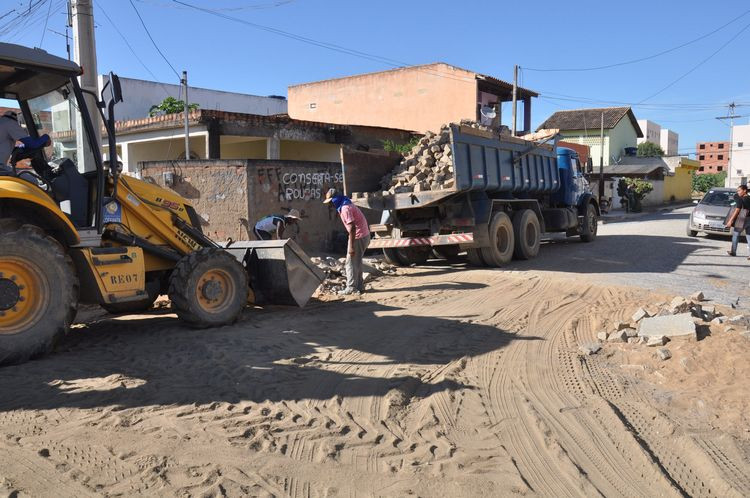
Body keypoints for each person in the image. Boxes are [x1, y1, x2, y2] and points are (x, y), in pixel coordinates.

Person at [323, 188, 370, 295]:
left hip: (359, 236)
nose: (330, 205)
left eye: (331, 202)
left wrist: (351, 246)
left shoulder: (345, 208)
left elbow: (352, 228)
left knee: (350, 263)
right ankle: (359, 286)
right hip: (363, 235)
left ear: (335, 199)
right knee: (356, 262)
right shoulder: (346, 203)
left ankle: (351, 287)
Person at [725, 184, 750, 257]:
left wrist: (731, 220)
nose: (738, 192)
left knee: (736, 234)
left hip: (742, 219)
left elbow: (737, 209)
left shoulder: (741, 199)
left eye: (739, 190)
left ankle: (733, 251)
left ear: (744, 191)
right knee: (749, 236)